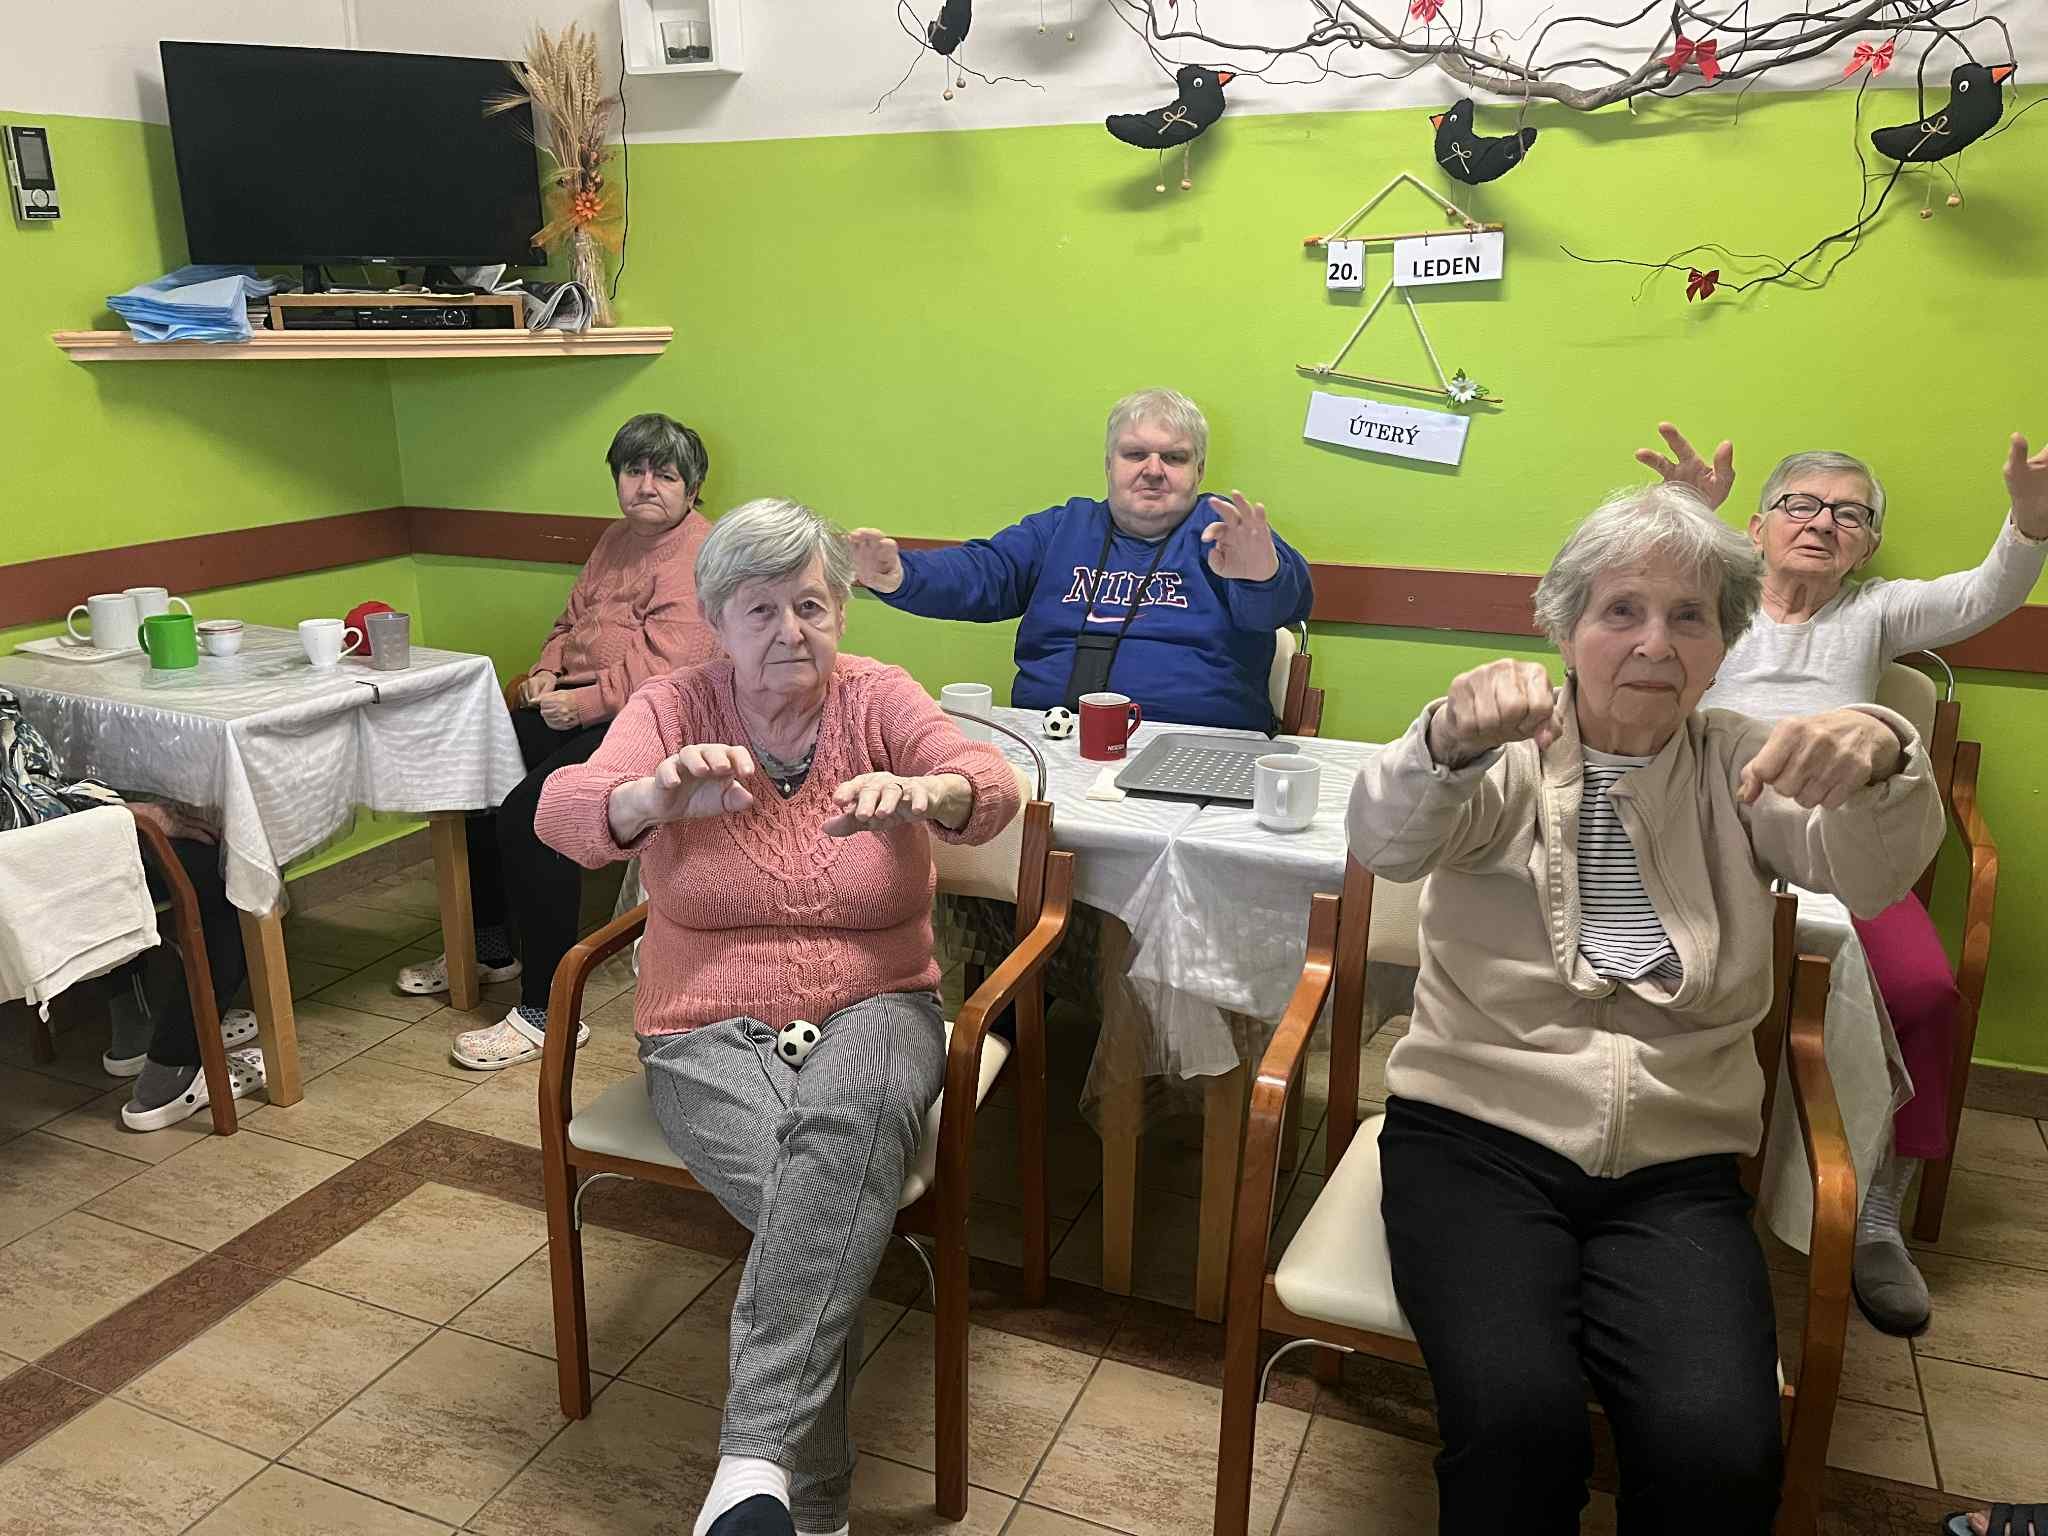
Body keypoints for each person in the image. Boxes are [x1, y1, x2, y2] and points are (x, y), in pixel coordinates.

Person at [1347, 483, 1943, 1533]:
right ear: (1564, 628)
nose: (1654, 643)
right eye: (1620, 610)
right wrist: (1442, 737)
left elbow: (1869, 873)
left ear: (1723, 644)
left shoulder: (1740, 761)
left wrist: (1885, 753)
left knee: (1721, 1455)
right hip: (1473, 1141)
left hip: (1676, 1169)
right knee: (1518, 1429)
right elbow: (1387, 842)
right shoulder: (1506, 752)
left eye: (1688, 616)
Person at [534, 498, 1022, 1536]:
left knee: (834, 1152)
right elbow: (564, 810)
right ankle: (815, 1508)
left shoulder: (879, 696)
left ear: (840, 608)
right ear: (717, 619)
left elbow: (990, 783)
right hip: (703, 1020)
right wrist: (647, 799)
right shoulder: (672, 706)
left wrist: (929, 792)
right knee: (818, 1205)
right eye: (760, 609)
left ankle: (754, 1468)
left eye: (811, 604)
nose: (790, 631)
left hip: (878, 1003)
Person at [1636, 420, 2048, 1333]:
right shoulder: (1713, 597)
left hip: (1835, 841)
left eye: (1850, 515)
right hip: (1702, 827)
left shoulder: (1877, 612)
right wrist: (1682, 516)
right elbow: (1632, 601)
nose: (1823, 522)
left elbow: (1985, 593)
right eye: (1801, 504)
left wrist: (2029, 524)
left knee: (1925, 991)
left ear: (1866, 545)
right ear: (1756, 526)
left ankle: (1873, 1213)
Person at [402, 413, 723, 1072]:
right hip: (576, 706)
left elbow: (668, 667)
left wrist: (581, 703)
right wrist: (547, 668)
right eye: (633, 471)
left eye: (665, 475)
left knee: (535, 812)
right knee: (475, 778)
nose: (646, 486)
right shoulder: (616, 538)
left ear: (691, 489)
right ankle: (491, 945)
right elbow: (571, 618)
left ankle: (548, 1012)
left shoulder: (699, 552)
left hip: (651, 719)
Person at [846, 387, 1313, 734]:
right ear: (1109, 464)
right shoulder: (1062, 528)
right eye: (1135, 454)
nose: (1153, 470)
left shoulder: (1225, 533)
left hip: (1196, 747)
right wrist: (900, 575)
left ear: (1200, 470)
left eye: (1174, 457)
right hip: (1052, 742)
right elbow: (981, 573)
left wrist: (1263, 577)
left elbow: (1282, 606)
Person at [0, 684, 261, 1129]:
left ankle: (135, 1026)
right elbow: (21, 810)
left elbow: (33, 780)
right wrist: (129, 812)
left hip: (40, 853)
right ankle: (172, 1074)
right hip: (31, 863)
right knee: (226, 873)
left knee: (130, 848)